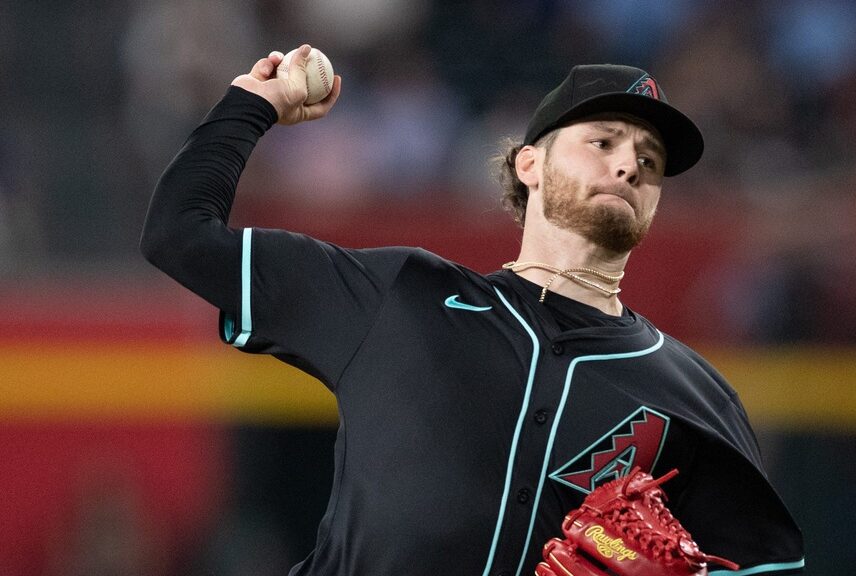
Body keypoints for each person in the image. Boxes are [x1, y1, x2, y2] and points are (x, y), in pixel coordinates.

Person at [141, 45, 804, 576]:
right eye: (603, 143)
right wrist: (252, 105)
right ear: (530, 165)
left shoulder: (693, 392)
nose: (630, 165)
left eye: (650, 160)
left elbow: (761, 566)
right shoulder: (400, 292)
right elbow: (180, 235)